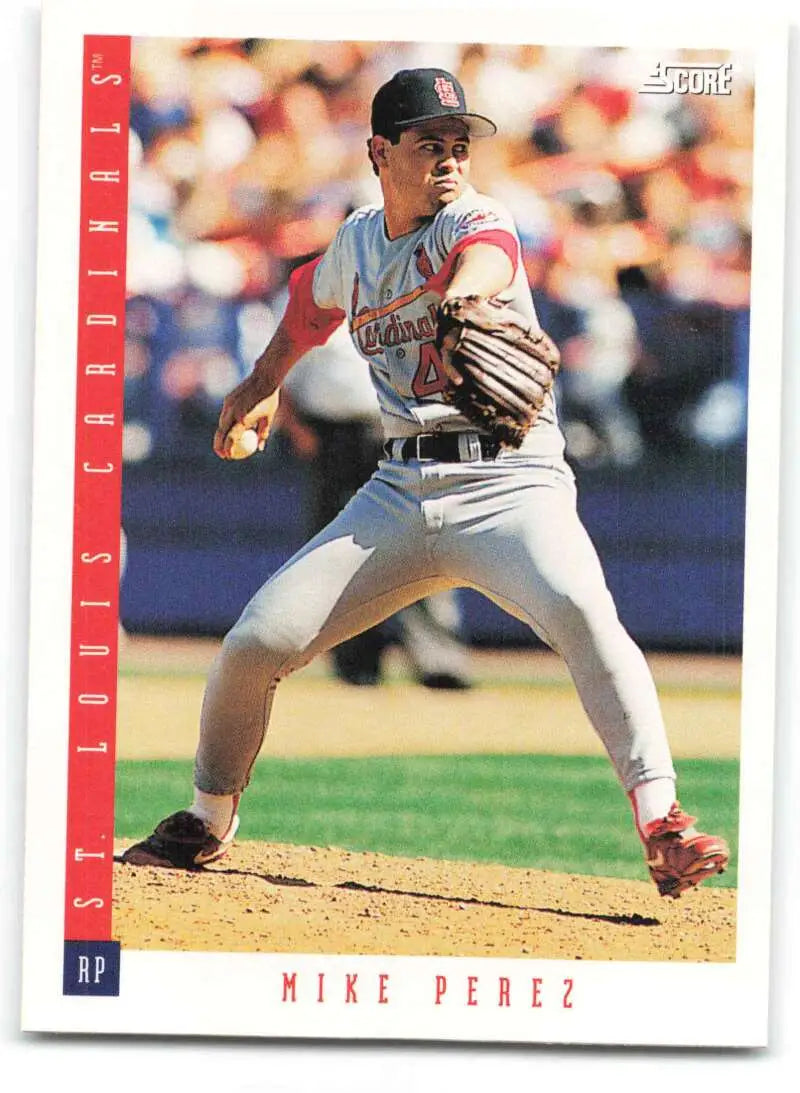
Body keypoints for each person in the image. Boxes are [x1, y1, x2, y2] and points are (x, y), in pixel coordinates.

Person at [122, 68, 729, 898]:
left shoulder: (475, 219)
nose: (449, 157)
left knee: (585, 614)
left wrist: (463, 301)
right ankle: (208, 816)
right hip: (398, 494)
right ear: (380, 151)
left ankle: (661, 818)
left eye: (458, 143)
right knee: (255, 643)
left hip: (512, 485)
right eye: (428, 143)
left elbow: (489, 257)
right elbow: (307, 304)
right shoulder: (359, 242)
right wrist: (261, 382)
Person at [277, 316, 473, 689]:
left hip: (397, 428)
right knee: (340, 551)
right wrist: (296, 428)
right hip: (332, 435)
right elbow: (284, 373)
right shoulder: (321, 299)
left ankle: (439, 660)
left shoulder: (404, 296)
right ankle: (356, 663)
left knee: (422, 539)